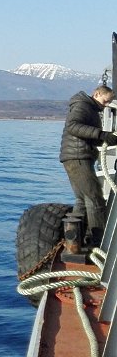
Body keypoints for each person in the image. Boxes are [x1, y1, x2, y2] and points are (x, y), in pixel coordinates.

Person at [60, 86, 117, 246]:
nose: (107, 105)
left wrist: (106, 139)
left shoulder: (89, 108)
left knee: (82, 200)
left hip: (74, 157)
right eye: (105, 101)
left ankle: (75, 238)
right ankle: (98, 241)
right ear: (96, 94)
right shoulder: (82, 105)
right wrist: (101, 134)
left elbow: (85, 134)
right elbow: (72, 126)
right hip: (78, 157)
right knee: (94, 198)